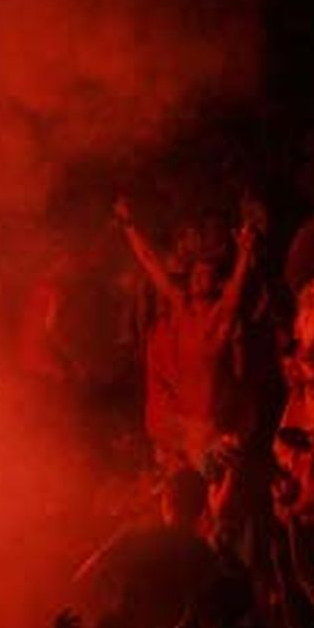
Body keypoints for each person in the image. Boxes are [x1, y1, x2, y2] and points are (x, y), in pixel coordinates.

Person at [115, 198, 256, 471]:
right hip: (180, 423)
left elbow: (238, 284)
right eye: (197, 274)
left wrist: (246, 251)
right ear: (190, 282)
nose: (202, 277)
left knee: (216, 486)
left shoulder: (220, 316)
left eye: (208, 274)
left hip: (210, 424)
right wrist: (129, 226)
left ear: (216, 283)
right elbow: (150, 262)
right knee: (182, 487)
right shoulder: (180, 307)